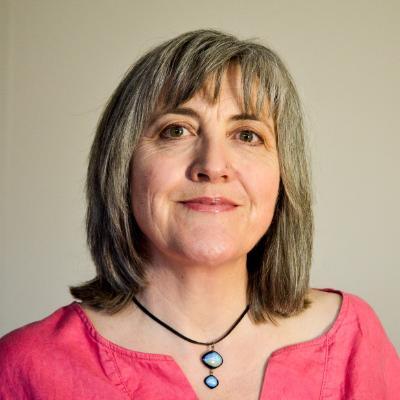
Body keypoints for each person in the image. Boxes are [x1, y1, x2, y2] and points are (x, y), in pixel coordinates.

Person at [0, 29, 399, 400]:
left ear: (283, 177)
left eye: (247, 135)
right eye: (177, 130)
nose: (212, 165)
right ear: (121, 165)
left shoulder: (353, 340)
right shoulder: (26, 366)